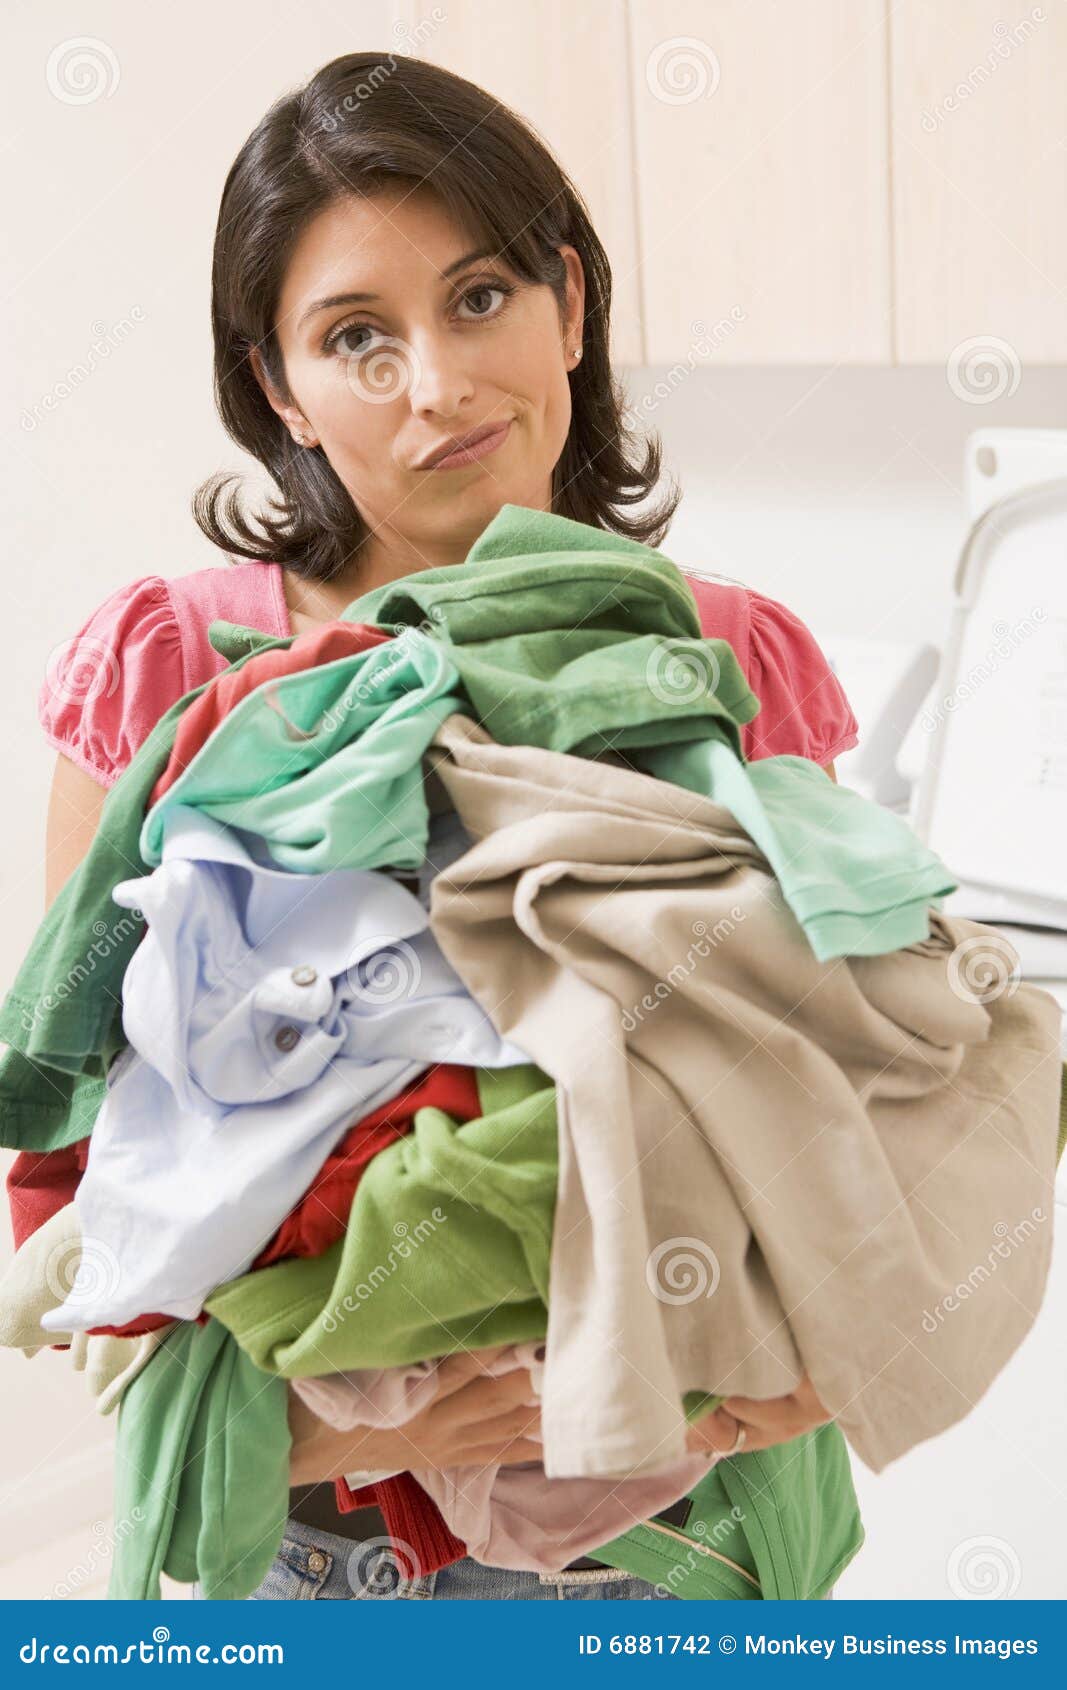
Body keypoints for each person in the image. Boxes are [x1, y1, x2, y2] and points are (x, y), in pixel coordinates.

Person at [38, 51, 858, 1601]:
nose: (440, 385)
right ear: (279, 387)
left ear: (567, 298)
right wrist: (268, 1419)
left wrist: (820, 1357)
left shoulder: (730, 659)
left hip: (670, 1540)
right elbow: (82, 1152)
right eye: (359, 337)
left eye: (479, 297)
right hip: (314, 1547)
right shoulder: (167, 664)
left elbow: (844, 1091)